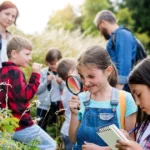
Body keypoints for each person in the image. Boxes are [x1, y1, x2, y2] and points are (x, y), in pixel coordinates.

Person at [69, 45, 137, 150]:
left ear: (108, 71)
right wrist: (74, 114)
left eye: (91, 76)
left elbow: (131, 143)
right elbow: (73, 139)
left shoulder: (125, 99)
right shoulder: (81, 99)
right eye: (82, 76)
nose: (86, 83)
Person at [0, 36, 56, 150]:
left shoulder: (2, 71)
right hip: (19, 124)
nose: (30, 58)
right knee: (50, 145)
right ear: (14, 53)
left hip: (6, 124)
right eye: (27, 54)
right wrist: (35, 74)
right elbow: (25, 96)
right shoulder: (16, 72)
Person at [94, 10, 137, 92]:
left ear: (103, 22)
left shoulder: (122, 34)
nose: (100, 31)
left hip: (125, 91)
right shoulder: (114, 38)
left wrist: (116, 95)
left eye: (98, 27)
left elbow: (124, 67)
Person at [116, 58, 150, 150]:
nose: (137, 103)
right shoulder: (145, 123)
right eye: (134, 97)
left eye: (139, 94)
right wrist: (129, 142)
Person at [36, 48, 64, 131]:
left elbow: (66, 89)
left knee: (56, 128)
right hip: (43, 106)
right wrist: (46, 81)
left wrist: (61, 83)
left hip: (57, 106)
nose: (54, 66)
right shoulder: (42, 72)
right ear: (47, 62)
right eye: (52, 64)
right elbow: (37, 91)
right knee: (40, 128)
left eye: (57, 64)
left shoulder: (63, 73)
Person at [57, 58, 77, 150]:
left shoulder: (66, 87)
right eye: (77, 70)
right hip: (70, 132)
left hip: (66, 130)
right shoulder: (73, 87)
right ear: (70, 73)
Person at [0, 1, 19, 68]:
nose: (10, 18)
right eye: (7, 14)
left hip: (6, 76)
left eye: (13, 16)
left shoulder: (10, 38)